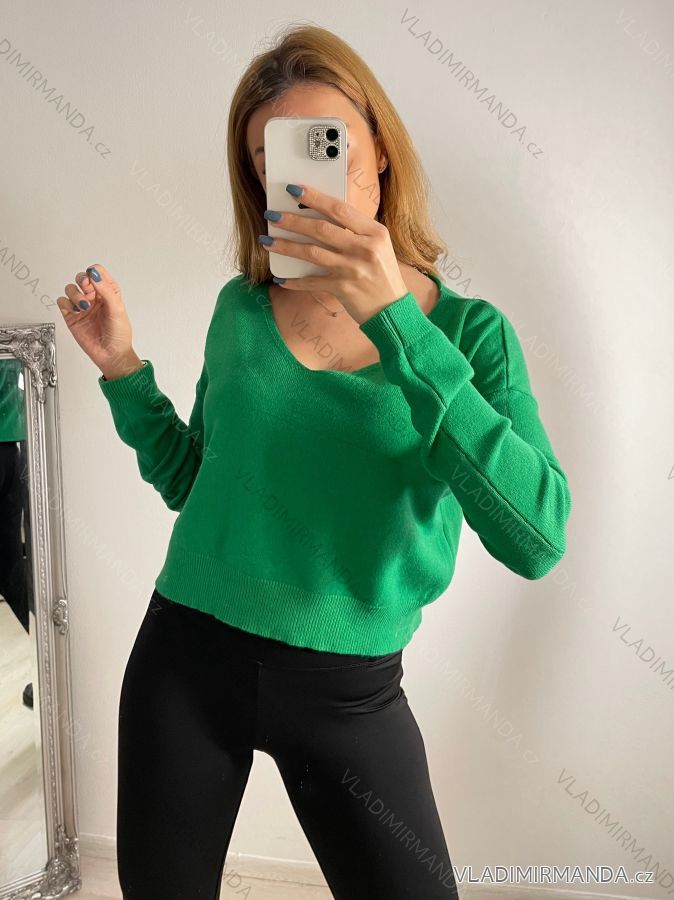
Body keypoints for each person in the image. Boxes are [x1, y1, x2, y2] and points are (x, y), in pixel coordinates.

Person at [56, 23, 571, 900]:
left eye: (326, 146)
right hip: (184, 663)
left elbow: (538, 539)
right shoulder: (242, 309)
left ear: (381, 152)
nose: (299, 177)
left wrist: (396, 322)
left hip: (351, 696)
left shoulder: (470, 335)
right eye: (271, 158)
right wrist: (123, 371)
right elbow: (194, 483)